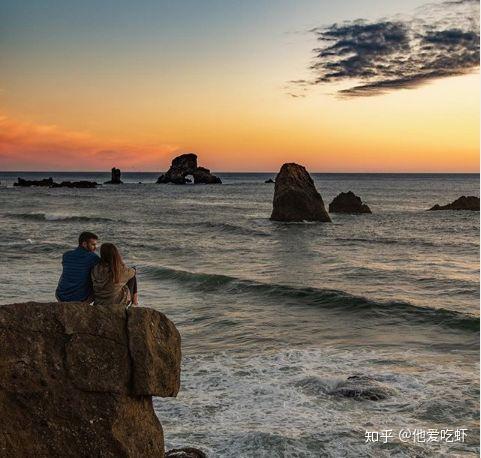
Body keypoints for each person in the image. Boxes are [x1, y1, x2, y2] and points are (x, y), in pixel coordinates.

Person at [56, 231, 100, 302]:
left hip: (61, 295)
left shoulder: (66, 255)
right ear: (84, 244)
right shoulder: (93, 258)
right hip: (79, 298)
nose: (95, 247)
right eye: (93, 245)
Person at [91, 243, 139, 307]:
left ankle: (135, 302)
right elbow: (133, 272)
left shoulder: (95, 268)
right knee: (132, 277)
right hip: (116, 303)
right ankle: (135, 302)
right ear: (115, 254)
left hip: (99, 302)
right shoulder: (119, 270)